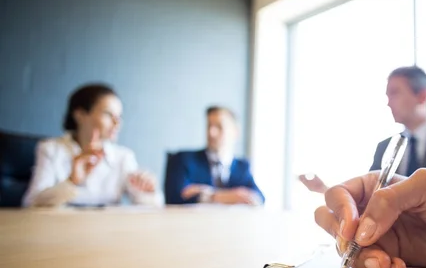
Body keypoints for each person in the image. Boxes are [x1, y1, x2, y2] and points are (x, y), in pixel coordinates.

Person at [300, 66, 426, 196]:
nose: (388, 102)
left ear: (422, 96)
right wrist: (326, 190)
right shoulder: (384, 147)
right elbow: (371, 197)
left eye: (395, 93)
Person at [22, 84, 163, 207]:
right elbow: (30, 203)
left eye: (119, 116)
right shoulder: (50, 149)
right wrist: (72, 181)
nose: (117, 123)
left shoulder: (123, 156)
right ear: (80, 115)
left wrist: (148, 190)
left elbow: (154, 206)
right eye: (108, 114)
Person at [164, 106, 264, 205]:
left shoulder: (242, 167)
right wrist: (227, 196)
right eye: (209, 126)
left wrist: (207, 193)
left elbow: (258, 198)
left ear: (235, 132)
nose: (211, 133)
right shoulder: (183, 160)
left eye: (219, 127)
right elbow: (174, 197)